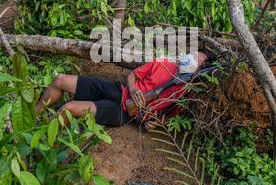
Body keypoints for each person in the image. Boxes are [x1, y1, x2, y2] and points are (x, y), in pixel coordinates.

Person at [35, 49, 214, 130]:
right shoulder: (164, 63)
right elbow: (133, 75)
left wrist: (156, 123)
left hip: (124, 113)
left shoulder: (186, 93)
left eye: (197, 58)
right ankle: (31, 120)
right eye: (194, 53)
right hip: (119, 90)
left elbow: (171, 116)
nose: (192, 57)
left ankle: (42, 135)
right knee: (60, 80)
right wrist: (134, 89)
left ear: (200, 69)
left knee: (69, 108)